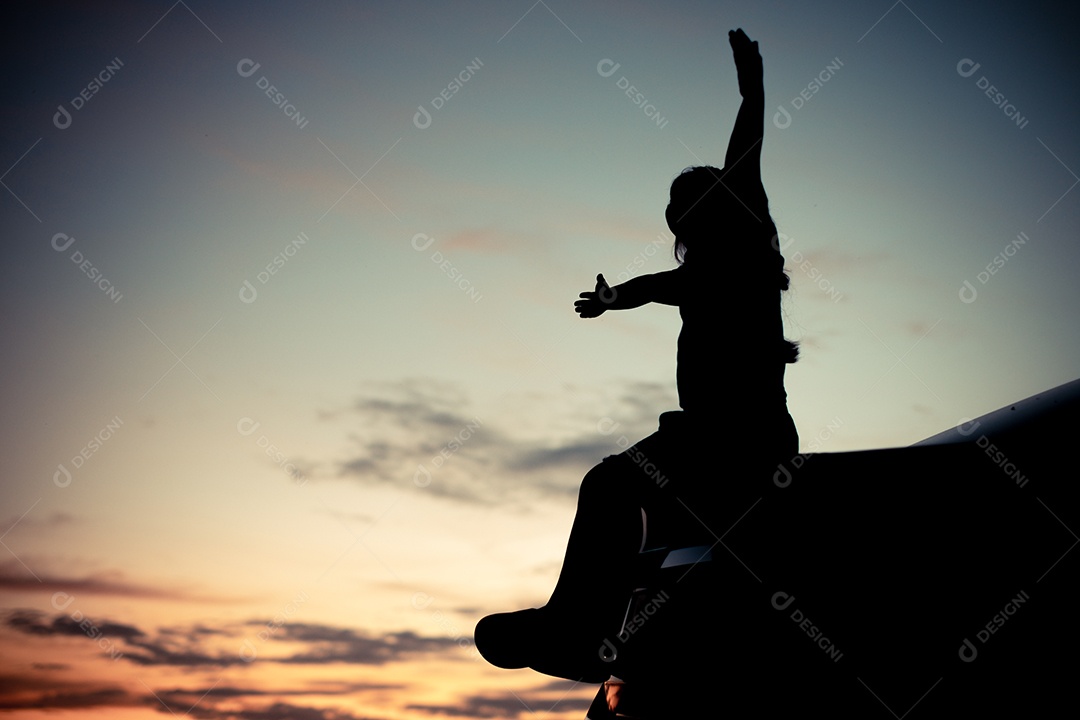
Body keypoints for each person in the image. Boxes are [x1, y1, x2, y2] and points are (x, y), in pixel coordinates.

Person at [475, 28, 798, 690]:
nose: (677, 225)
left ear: (721, 209)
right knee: (620, 493)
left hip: (740, 439)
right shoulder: (700, 275)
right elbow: (653, 286)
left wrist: (753, 89)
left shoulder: (748, 250)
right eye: (674, 217)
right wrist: (613, 297)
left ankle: (576, 632)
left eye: (685, 210)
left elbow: (748, 152)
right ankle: (595, 626)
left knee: (611, 485)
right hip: (714, 439)